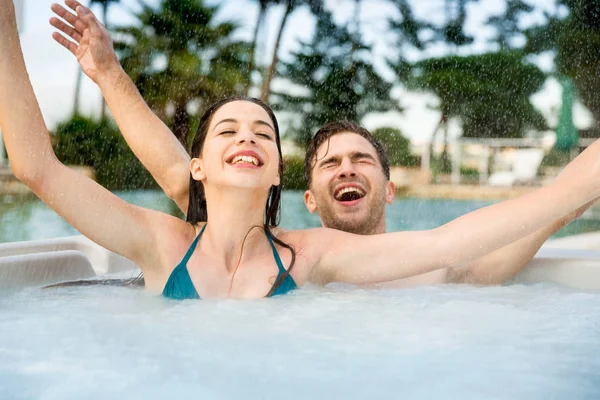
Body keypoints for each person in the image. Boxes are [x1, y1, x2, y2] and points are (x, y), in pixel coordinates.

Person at [3, 0, 596, 301]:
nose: (248, 139)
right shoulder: (165, 240)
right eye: (229, 131)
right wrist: (104, 73)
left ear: (279, 176)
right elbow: (42, 166)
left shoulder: (316, 257)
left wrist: (563, 196)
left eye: (264, 132)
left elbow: (457, 240)